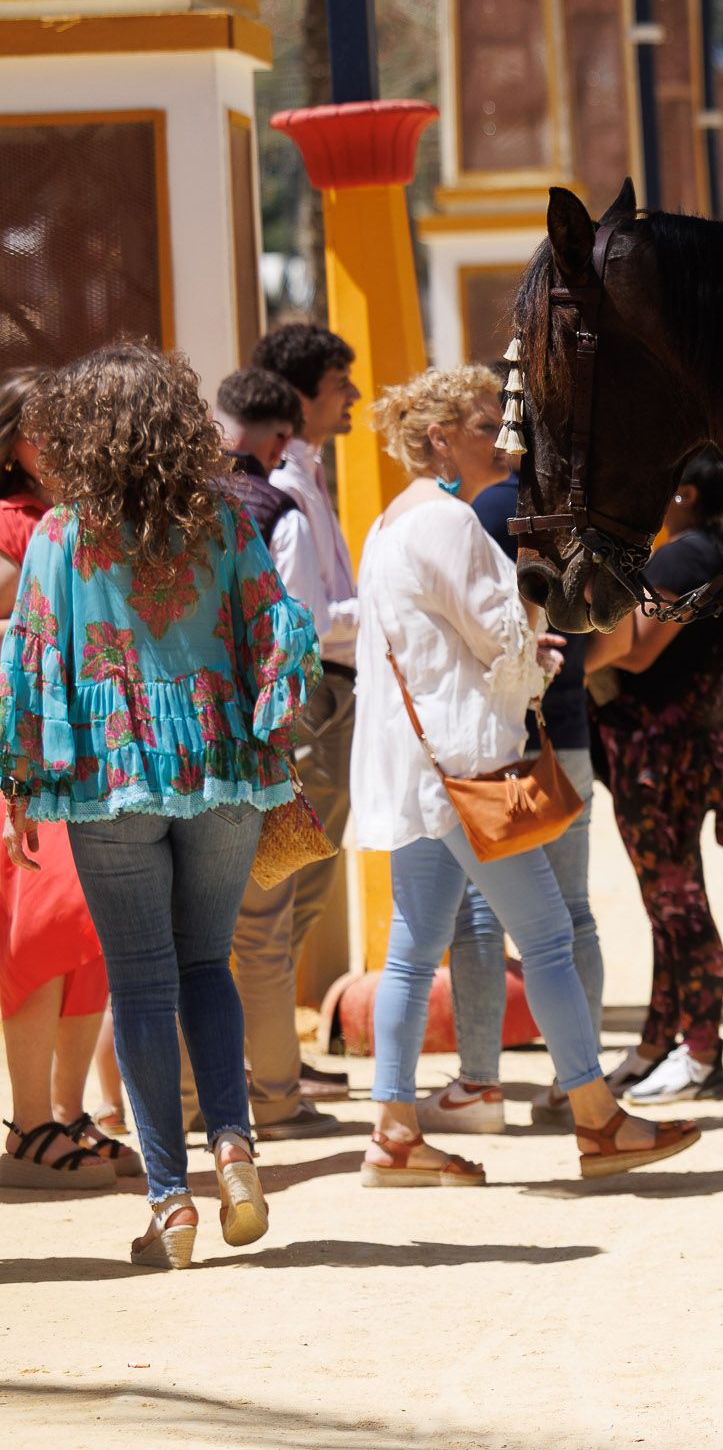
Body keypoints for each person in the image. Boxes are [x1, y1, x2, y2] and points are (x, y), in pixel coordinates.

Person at [0, 345, 321, 1266]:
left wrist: (20, 785)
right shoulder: (223, 518)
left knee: (141, 983)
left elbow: (29, 662)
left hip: (108, 784)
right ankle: (234, 1149)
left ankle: (172, 1206)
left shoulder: (63, 534)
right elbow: (280, 631)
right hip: (221, 770)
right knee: (206, 967)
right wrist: (262, 716)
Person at [352, 367, 698, 1186]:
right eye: (482, 422)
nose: (502, 438)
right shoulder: (450, 523)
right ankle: (595, 1117)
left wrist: (518, 643)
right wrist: (538, 627)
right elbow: (502, 633)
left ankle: (395, 1133)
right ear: (440, 439)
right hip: (469, 766)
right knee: (546, 935)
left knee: (412, 954)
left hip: (423, 767)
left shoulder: (392, 522)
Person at [418, 453, 605, 1135]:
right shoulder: (584, 510)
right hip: (569, 737)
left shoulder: (487, 514)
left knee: (480, 914)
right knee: (573, 912)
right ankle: (575, 1082)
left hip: (504, 740)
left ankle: (480, 1084)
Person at [583, 447, 723, 1105]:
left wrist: (576, 631)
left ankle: (701, 1056)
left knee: (678, 904)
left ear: (685, 493)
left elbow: (635, 651)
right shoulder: (712, 551)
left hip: (657, 757)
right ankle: (657, 1044)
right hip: (673, 753)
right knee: (667, 905)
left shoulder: (683, 557)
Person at [198, 367, 348, 1140]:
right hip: (250, 748)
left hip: (160, 751)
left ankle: (186, 1104)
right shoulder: (272, 511)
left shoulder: (148, 514)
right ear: (277, 439)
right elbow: (290, 639)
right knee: (259, 934)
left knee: (181, 942)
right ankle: (278, 1097)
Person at [0, 367, 132, 1190]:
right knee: (46, 932)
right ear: (13, 441)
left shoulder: (69, 522)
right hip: (27, 754)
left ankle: (67, 1111)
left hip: (82, 748)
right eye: (47, 427)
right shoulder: (11, 526)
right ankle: (31, 1123)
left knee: (88, 938)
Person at [249, 323, 362, 1106]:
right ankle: (262, 1067)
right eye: (338, 384)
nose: (352, 396)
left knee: (307, 879)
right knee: (288, 880)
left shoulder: (309, 476)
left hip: (329, 692)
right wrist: (386, 607)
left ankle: (270, 1058)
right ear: (300, 397)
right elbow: (304, 618)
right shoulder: (287, 488)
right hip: (314, 693)